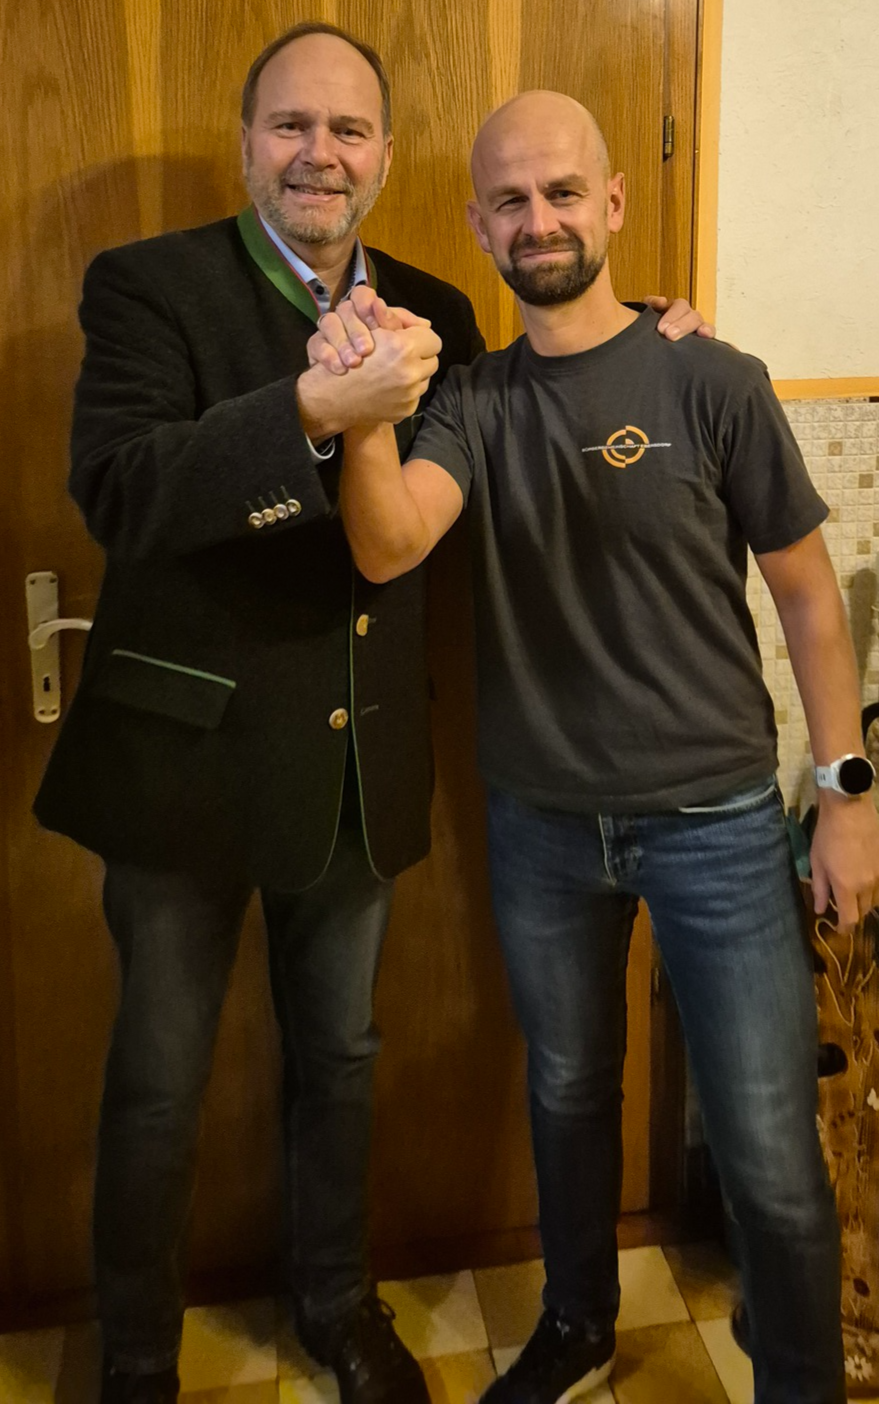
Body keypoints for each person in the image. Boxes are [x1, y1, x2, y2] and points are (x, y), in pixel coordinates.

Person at [34, 23, 707, 1400]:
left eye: (348, 130)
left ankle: (338, 1309)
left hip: (352, 763)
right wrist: (308, 409)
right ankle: (138, 1360)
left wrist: (657, 341)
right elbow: (120, 490)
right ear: (247, 142)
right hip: (182, 763)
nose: (319, 154)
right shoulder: (149, 287)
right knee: (158, 1078)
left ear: (388, 157)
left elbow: (530, 417)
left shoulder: (438, 310)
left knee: (341, 1056)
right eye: (292, 125)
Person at [306, 90, 879, 1404]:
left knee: (769, 1150)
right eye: (509, 201)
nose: (539, 220)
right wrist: (367, 408)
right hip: (543, 825)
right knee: (566, 1096)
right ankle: (577, 1326)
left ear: (612, 203)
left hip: (719, 825)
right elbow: (389, 544)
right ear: (477, 225)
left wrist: (845, 795)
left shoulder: (712, 377)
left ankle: (799, 1384)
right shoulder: (469, 401)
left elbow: (807, 595)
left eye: (563, 192)